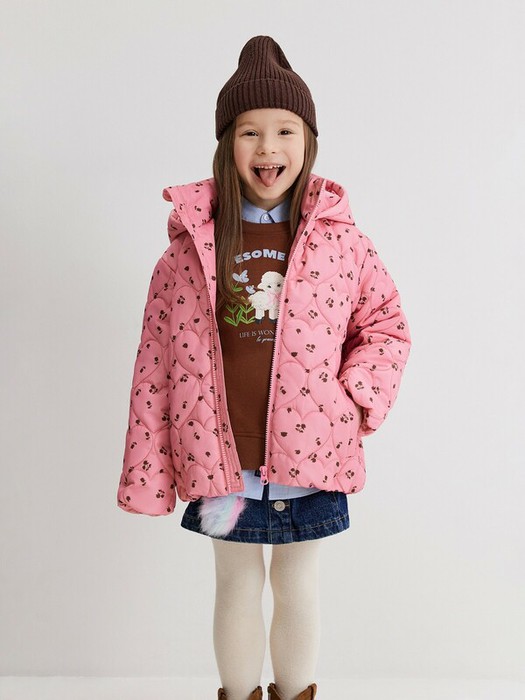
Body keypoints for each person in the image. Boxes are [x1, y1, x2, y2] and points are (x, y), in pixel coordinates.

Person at [117, 35, 411, 700]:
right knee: (235, 584)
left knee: (298, 583)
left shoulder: (342, 243)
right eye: (249, 132)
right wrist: (148, 468)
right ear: (227, 144)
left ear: (308, 142)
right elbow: (155, 364)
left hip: (311, 454)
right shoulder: (189, 251)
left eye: (284, 131)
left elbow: (386, 326)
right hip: (219, 461)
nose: (267, 148)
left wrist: (351, 399)